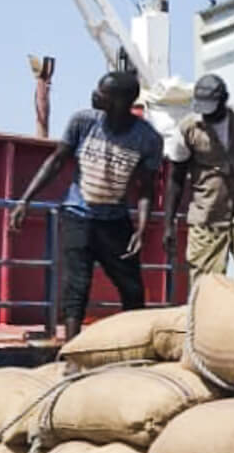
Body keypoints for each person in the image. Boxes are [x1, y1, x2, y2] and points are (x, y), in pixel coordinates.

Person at [10, 70, 161, 340]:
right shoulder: (83, 122)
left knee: (132, 288)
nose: (96, 95)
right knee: (76, 285)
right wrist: (25, 200)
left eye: (103, 92)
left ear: (120, 100)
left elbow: (146, 189)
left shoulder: (148, 139)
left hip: (115, 221)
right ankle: (71, 351)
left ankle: (136, 345)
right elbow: (56, 161)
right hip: (77, 216)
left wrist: (140, 229)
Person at [163, 74, 234, 291]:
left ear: (224, 101)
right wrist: (168, 224)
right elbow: (175, 179)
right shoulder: (188, 130)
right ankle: (204, 322)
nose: (206, 114)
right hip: (207, 212)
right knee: (205, 283)